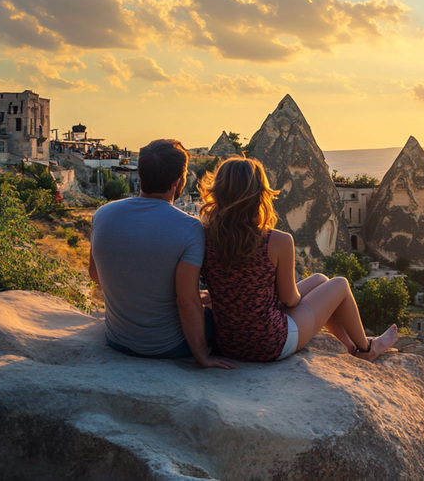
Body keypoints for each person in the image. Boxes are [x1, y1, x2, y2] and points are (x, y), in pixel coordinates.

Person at [198, 157, 397, 362]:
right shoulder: (276, 240)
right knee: (339, 284)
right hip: (269, 343)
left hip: (228, 343)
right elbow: (289, 299)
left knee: (320, 280)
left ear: (217, 192)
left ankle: (349, 347)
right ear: (259, 195)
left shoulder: (203, 236)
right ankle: (367, 348)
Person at [89, 139, 234, 369]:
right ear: (178, 182)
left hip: (117, 339)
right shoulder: (189, 228)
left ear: (141, 175)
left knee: (204, 297)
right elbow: (186, 301)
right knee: (225, 312)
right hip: (167, 346)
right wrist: (202, 357)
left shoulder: (103, 214)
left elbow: (95, 274)